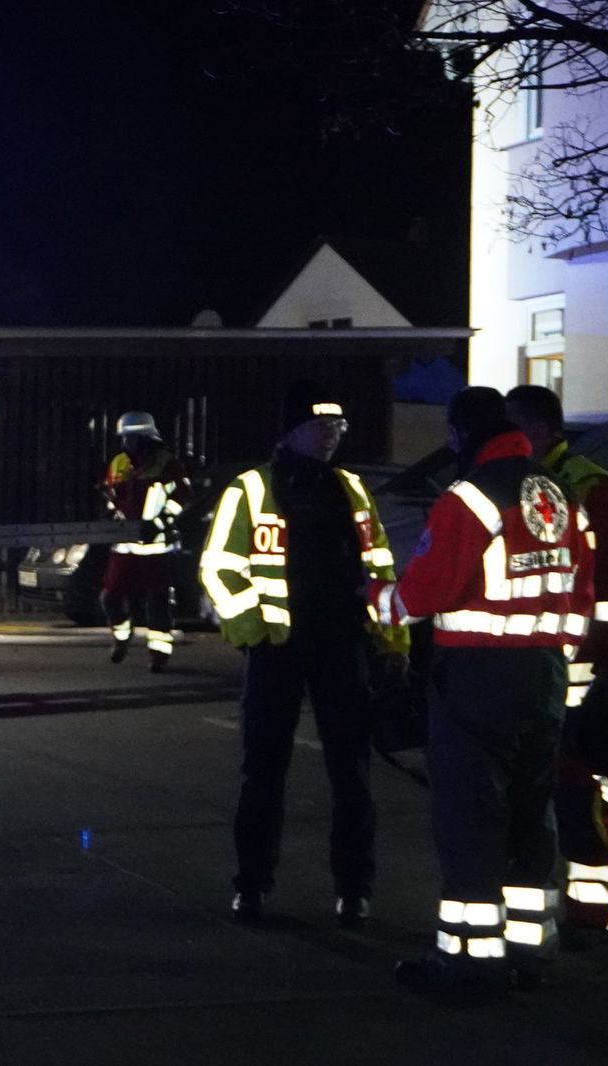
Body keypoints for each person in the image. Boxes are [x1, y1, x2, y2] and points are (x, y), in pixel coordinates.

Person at [370, 386, 593, 993]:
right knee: (531, 814)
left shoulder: (469, 497)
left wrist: (375, 599)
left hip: (478, 678)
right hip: (544, 676)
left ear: (457, 434)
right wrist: (559, 659)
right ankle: (530, 952)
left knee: (471, 817)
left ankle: (468, 961)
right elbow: (582, 593)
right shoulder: (559, 492)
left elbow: (424, 594)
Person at [200, 381, 408, 928]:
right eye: (321, 426)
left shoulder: (351, 489)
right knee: (263, 773)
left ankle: (355, 889)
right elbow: (219, 566)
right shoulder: (252, 489)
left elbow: (380, 566)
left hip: (342, 643)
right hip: (277, 651)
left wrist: (393, 640)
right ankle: (251, 885)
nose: (331, 435)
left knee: (352, 774)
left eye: (338, 427)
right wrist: (255, 631)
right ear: (292, 430)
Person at [507, 384, 608, 946]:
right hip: (539, 666)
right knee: (542, 793)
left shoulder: (590, 487)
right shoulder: (531, 484)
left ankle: (593, 912)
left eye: (514, 430)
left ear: (539, 431)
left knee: (578, 790)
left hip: (580, 672)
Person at [101, 411, 194, 672]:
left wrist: (160, 522)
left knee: (157, 603)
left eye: (132, 438)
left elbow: (183, 496)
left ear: (146, 438)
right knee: (110, 597)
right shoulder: (119, 463)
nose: (127, 443)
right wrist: (110, 511)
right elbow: (111, 495)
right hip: (125, 546)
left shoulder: (167, 464)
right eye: (124, 438)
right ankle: (121, 636)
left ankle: (158, 654)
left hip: (157, 547)